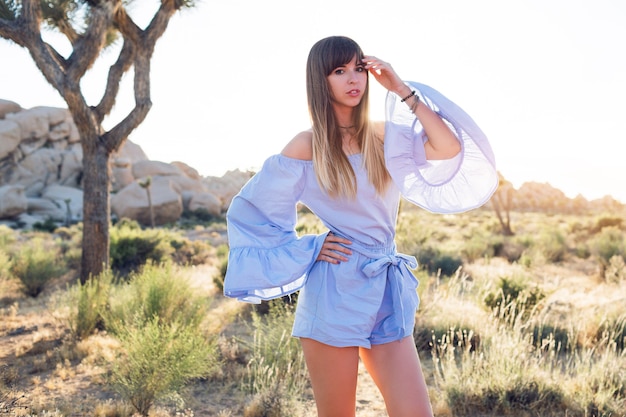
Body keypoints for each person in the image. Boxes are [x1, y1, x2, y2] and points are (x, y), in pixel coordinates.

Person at [223, 36, 497, 417]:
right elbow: (251, 212)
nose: (353, 79)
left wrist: (401, 90)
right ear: (321, 80)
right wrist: (311, 247)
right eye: (339, 71)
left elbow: (448, 148)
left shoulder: (384, 136)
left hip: (386, 285)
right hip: (335, 288)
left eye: (358, 68)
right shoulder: (307, 146)